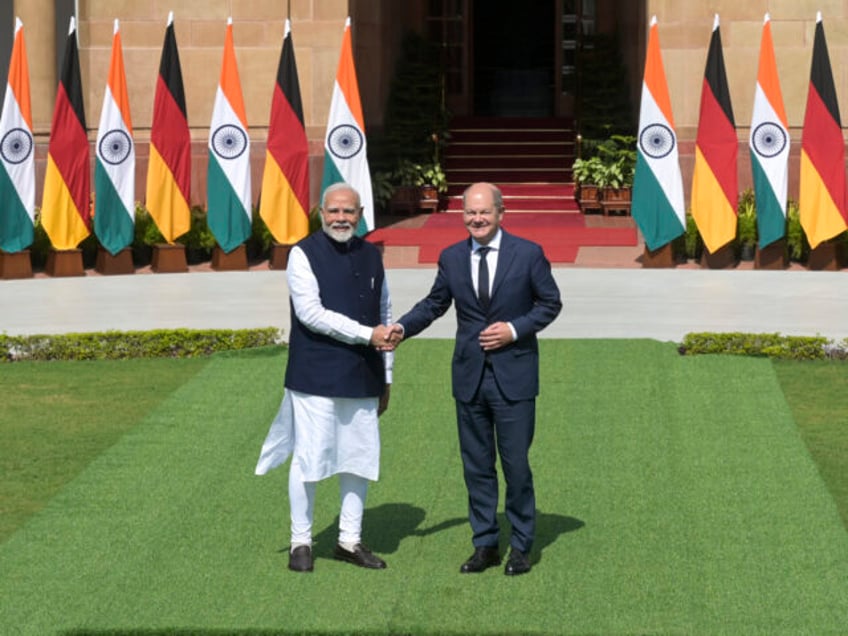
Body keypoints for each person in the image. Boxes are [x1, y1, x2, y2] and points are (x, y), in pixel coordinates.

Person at [388, 182, 561, 576]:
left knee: (515, 465)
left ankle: (520, 546)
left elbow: (550, 303)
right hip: (469, 378)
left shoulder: (528, 254)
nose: (477, 219)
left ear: (501, 213)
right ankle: (485, 544)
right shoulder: (451, 258)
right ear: (462, 215)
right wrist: (401, 328)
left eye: (484, 212)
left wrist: (514, 330)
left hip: (514, 378)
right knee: (476, 466)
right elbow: (434, 304)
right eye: (470, 213)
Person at [255, 182, 395, 573]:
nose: (341, 218)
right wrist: (368, 335)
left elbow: (383, 310)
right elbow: (311, 314)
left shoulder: (371, 255)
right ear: (321, 214)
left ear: (360, 213)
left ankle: (349, 541)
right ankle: (301, 541)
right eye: (333, 211)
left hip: (363, 373)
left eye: (348, 212)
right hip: (315, 374)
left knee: (358, 458)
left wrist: (387, 377)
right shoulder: (302, 254)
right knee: (310, 458)